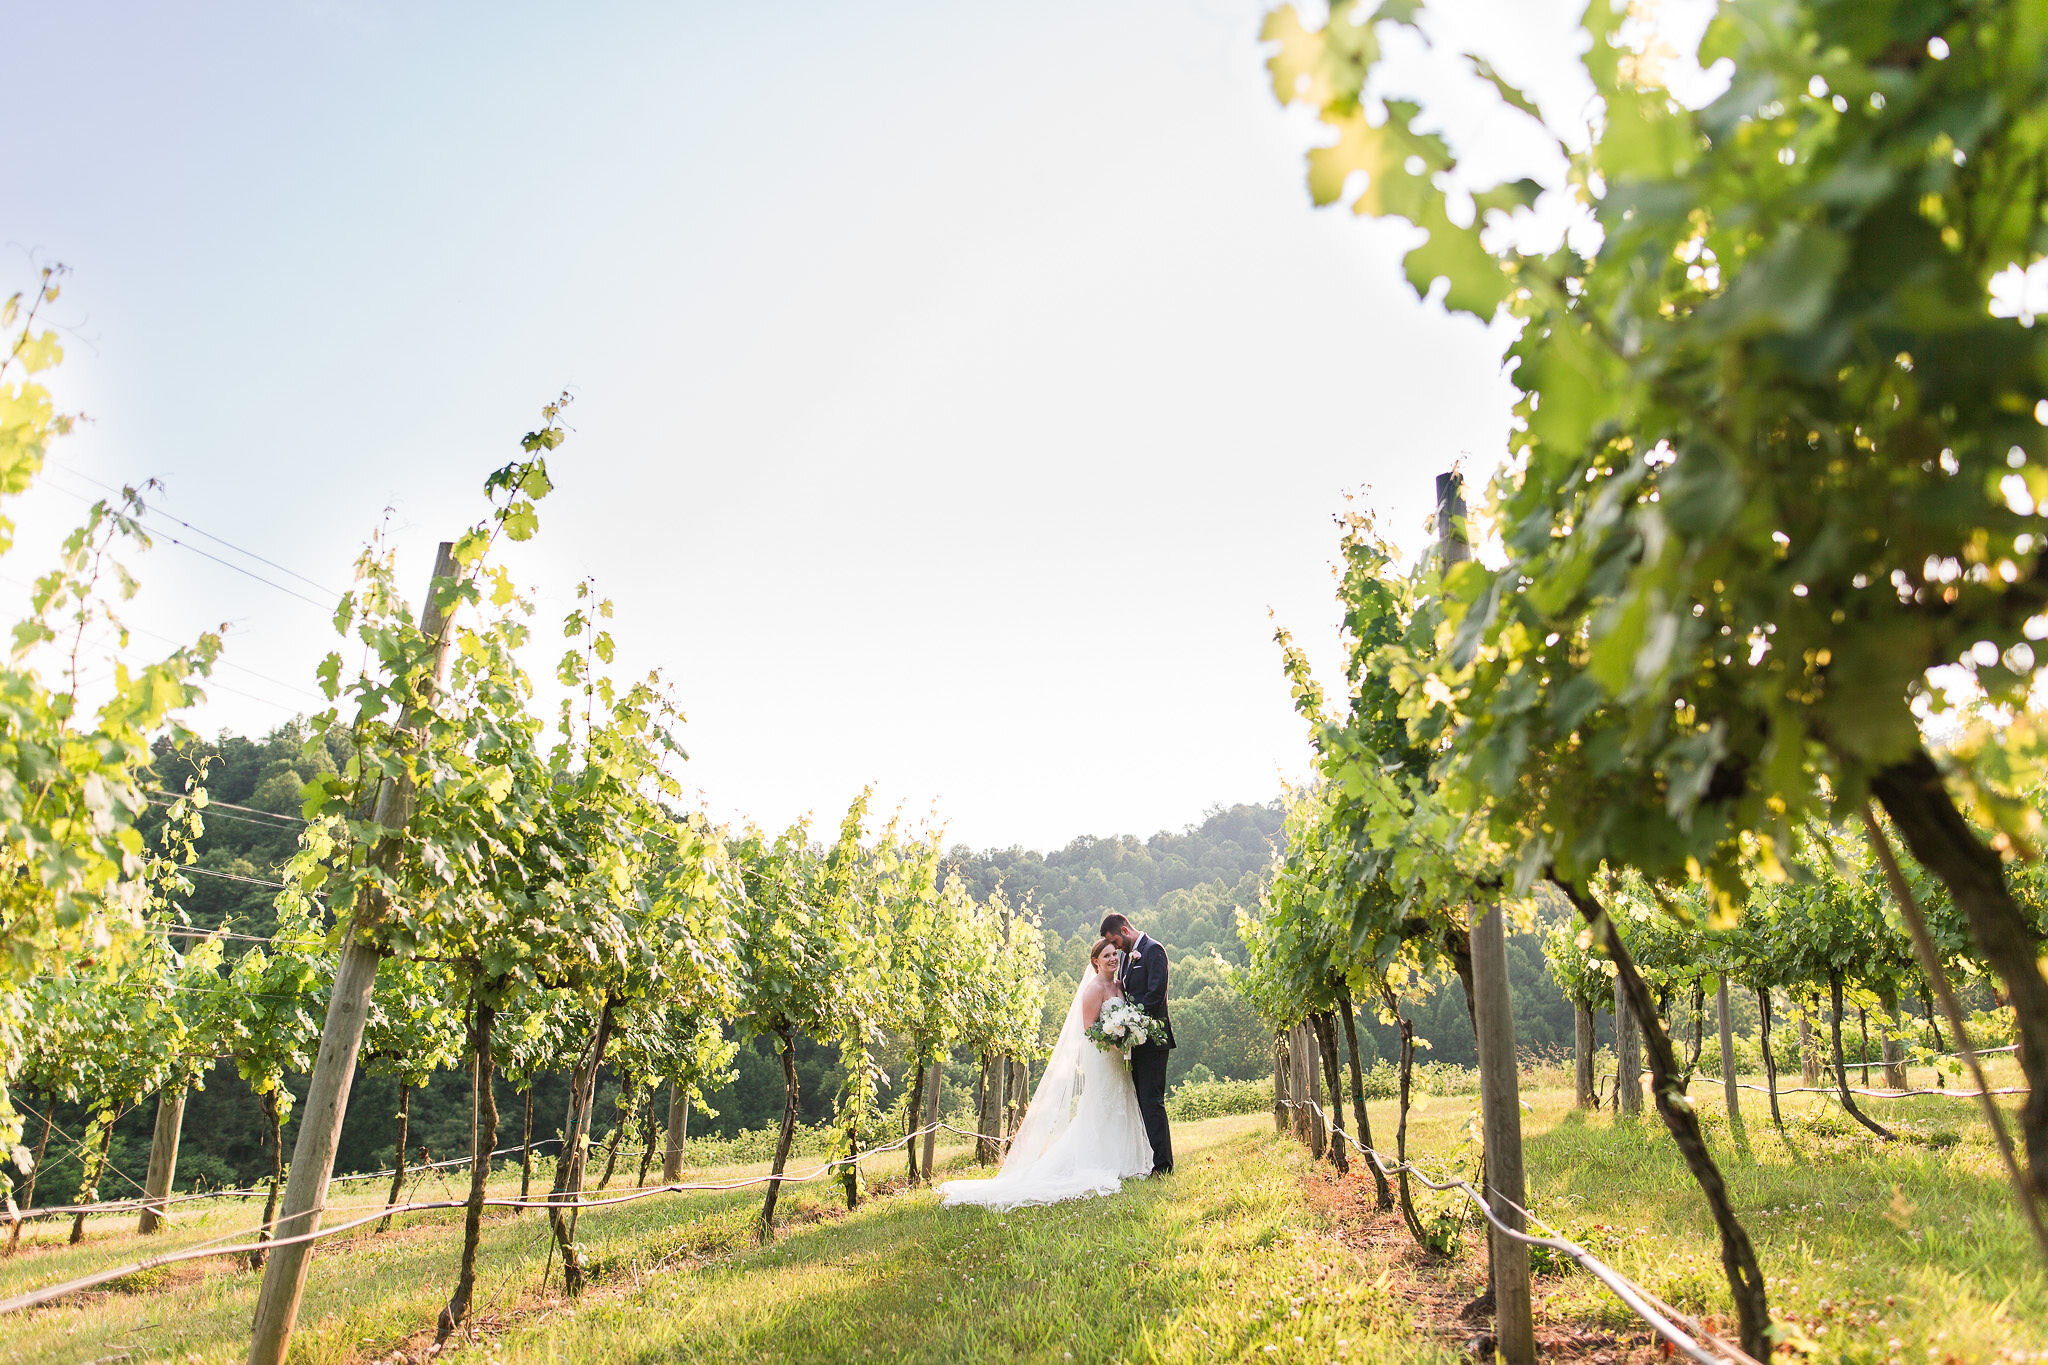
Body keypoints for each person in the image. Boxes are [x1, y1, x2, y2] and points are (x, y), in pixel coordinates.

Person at [939, 937, 1152, 1210]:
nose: (1113, 959)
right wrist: (1114, 1039)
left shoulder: (1119, 985)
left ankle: (1126, 1160)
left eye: (1114, 954)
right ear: (1096, 961)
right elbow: (1088, 1030)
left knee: (1122, 1100)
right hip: (1102, 1057)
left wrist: (1125, 1037)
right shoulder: (1093, 989)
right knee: (1102, 1104)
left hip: (1118, 1056)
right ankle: (1098, 1159)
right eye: (1107, 955)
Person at [1101, 912, 1173, 1174]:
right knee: (1143, 1102)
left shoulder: (1154, 950)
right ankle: (1153, 1161)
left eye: (1115, 942)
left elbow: (1155, 995)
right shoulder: (1126, 959)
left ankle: (1164, 1166)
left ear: (1124, 930)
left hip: (1154, 1039)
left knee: (1153, 1101)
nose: (1116, 948)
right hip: (1136, 1042)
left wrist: (1132, 1021)